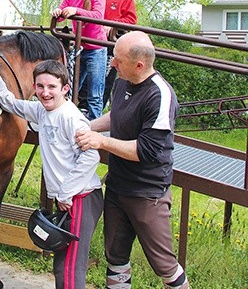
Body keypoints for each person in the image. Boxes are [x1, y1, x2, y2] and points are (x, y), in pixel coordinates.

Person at [75, 31, 189, 289]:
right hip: (117, 187)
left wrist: (101, 142)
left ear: (139, 65)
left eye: (118, 59)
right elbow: (116, 117)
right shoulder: (122, 81)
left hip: (147, 194)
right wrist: (86, 127)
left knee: (165, 265)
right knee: (115, 258)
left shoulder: (160, 95)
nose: (112, 64)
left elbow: (146, 151)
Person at [0, 58, 103, 289]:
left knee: (70, 268)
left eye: (52, 87)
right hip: (68, 199)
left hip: (81, 198)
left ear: (65, 89)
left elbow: (91, 156)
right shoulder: (41, 111)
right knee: (62, 265)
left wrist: (65, 193)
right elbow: (9, 102)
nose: (45, 92)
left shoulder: (70, 117)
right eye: (40, 86)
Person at [51, 0, 107, 120]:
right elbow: (62, 12)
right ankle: (69, 119)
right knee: (72, 86)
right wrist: (58, 13)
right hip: (80, 47)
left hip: (96, 48)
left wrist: (77, 11)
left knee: (94, 92)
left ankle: (94, 129)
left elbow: (98, 15)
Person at [100, 0, 137, 107]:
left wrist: (111, 24)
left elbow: (131, 20)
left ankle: (99, 109)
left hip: (111, 44)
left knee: (107, 78)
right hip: (94, 41)